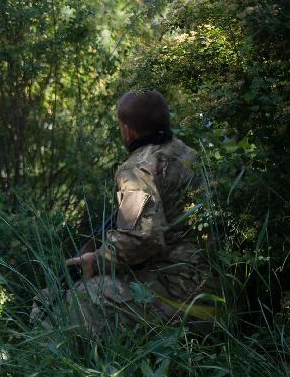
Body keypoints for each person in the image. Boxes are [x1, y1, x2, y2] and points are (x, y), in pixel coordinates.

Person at [41, 90, 220, 333]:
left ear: (127, 130)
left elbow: (142, 237)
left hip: (180, 296)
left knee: (74, 298)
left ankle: (64, 366)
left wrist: (96, 261)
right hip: (215, 288)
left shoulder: (137, 169)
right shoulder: (189, 155)